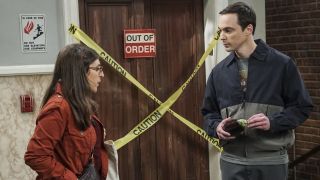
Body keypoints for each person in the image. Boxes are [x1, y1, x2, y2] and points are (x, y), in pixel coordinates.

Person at [201, 2, 313, 180]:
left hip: (271, 162)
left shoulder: (282, 65)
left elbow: (302, 107)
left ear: (248, 29)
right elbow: (209, 113)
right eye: (220, 31)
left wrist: (272, 122)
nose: (222, 37)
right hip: (231, 162)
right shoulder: (219, 72)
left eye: (228, 30)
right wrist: (216, 127)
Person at [25, 43, 108, 180]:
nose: (102, 74)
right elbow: (35, 156)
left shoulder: (79, 102)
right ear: (81, 72)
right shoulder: (59, 108)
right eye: (98, 69)